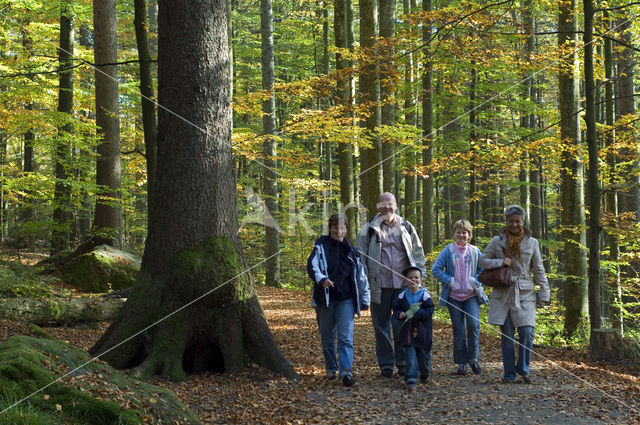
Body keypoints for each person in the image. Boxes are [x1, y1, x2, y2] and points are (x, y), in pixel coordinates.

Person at [357, 192, 426, 378]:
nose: (387, 207)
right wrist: (363, 284)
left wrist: (421, 278)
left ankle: (403, 362)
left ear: (396, 205)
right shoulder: (368, 228)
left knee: (402, 323)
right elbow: (360, 258)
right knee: (381, 326)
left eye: (390, 204)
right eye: (383, 204)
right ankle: (386, 364)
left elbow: (418, 253)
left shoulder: (406, 226)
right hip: (378, 285)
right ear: (378, 206)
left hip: (405, 286)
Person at [479, 205, 550, 384]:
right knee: (507, 335)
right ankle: (509, 373)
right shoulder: (497, 240)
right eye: (511, 221)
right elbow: (482, 261)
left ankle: (524, 369)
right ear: (506, 221)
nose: (514, 224)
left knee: (527, 331)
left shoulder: (532, 242)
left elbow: (539, 269)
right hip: (503, 292)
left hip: (525, 291)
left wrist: (544, 293)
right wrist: (500, 262)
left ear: (523, 222)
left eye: (517, 221)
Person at [307, 213, 370, 386]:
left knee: (345, 338)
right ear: (330, 228)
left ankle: (346, 373)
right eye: (335, 227)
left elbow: (361, 276)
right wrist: (322, 280)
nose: (338, 231)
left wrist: (365, 299)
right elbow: (312, 267)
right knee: (327, 338)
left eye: (342, 227)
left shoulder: (353, 251)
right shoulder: (320, 246)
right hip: (324, 299)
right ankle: (331, 368)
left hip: (346, 300)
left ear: (347, 230)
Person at [432, 219, 489, 375]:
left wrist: (474, 280)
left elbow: (483, 271)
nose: (461, 235)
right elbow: (436, 269)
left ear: (469, 235)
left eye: (464, 232)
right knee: (458, 329)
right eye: (458, 232)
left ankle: (474, 359)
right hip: (454, 297)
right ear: (454, 234)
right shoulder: (448, 251)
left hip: (471, 296)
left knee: (473, 325)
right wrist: (450, 281)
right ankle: (461, 363)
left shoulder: (475, 251)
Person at [392, 266, 434, 390]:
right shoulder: (402, 296)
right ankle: (411, 379)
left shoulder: (425, 296)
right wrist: (399, 314)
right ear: (406, 281)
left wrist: (418, 313)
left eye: (416, 278)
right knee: (410, 355)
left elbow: (430, 311)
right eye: (410, 278)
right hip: (407, 332)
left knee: (423, 356)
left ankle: (425, 372)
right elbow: (396, 308)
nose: (413, 280)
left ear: (421, 280)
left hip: (422, 332)